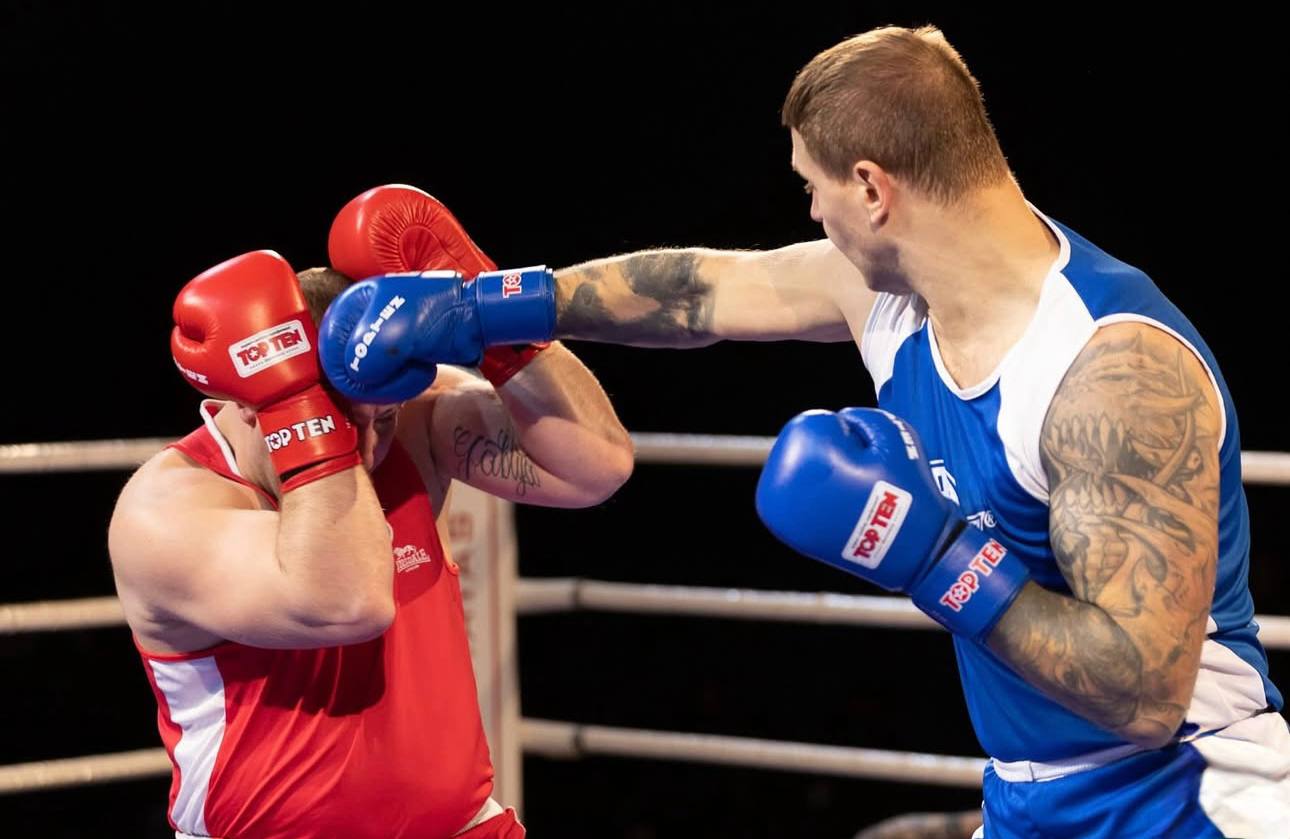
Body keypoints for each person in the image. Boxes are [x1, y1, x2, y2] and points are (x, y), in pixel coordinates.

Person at [319, 26, 1289, 839]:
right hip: (1030, 791)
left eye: (812, 186)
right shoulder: (891, 293)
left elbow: (1144, 695)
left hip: (1186, 799)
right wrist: (491, 308)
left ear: (873, 187)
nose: (811, 212)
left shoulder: (1106, 371)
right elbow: (701, 286)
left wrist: (930, 554)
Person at [107, 185, 634, 838]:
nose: (368, 444)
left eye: (379, 418)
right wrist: (298, 402)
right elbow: (345, 599)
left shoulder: (406, 425)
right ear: (251, 402)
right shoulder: (168, 509)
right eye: (342, 420)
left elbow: (596, 466)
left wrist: (491, 318)